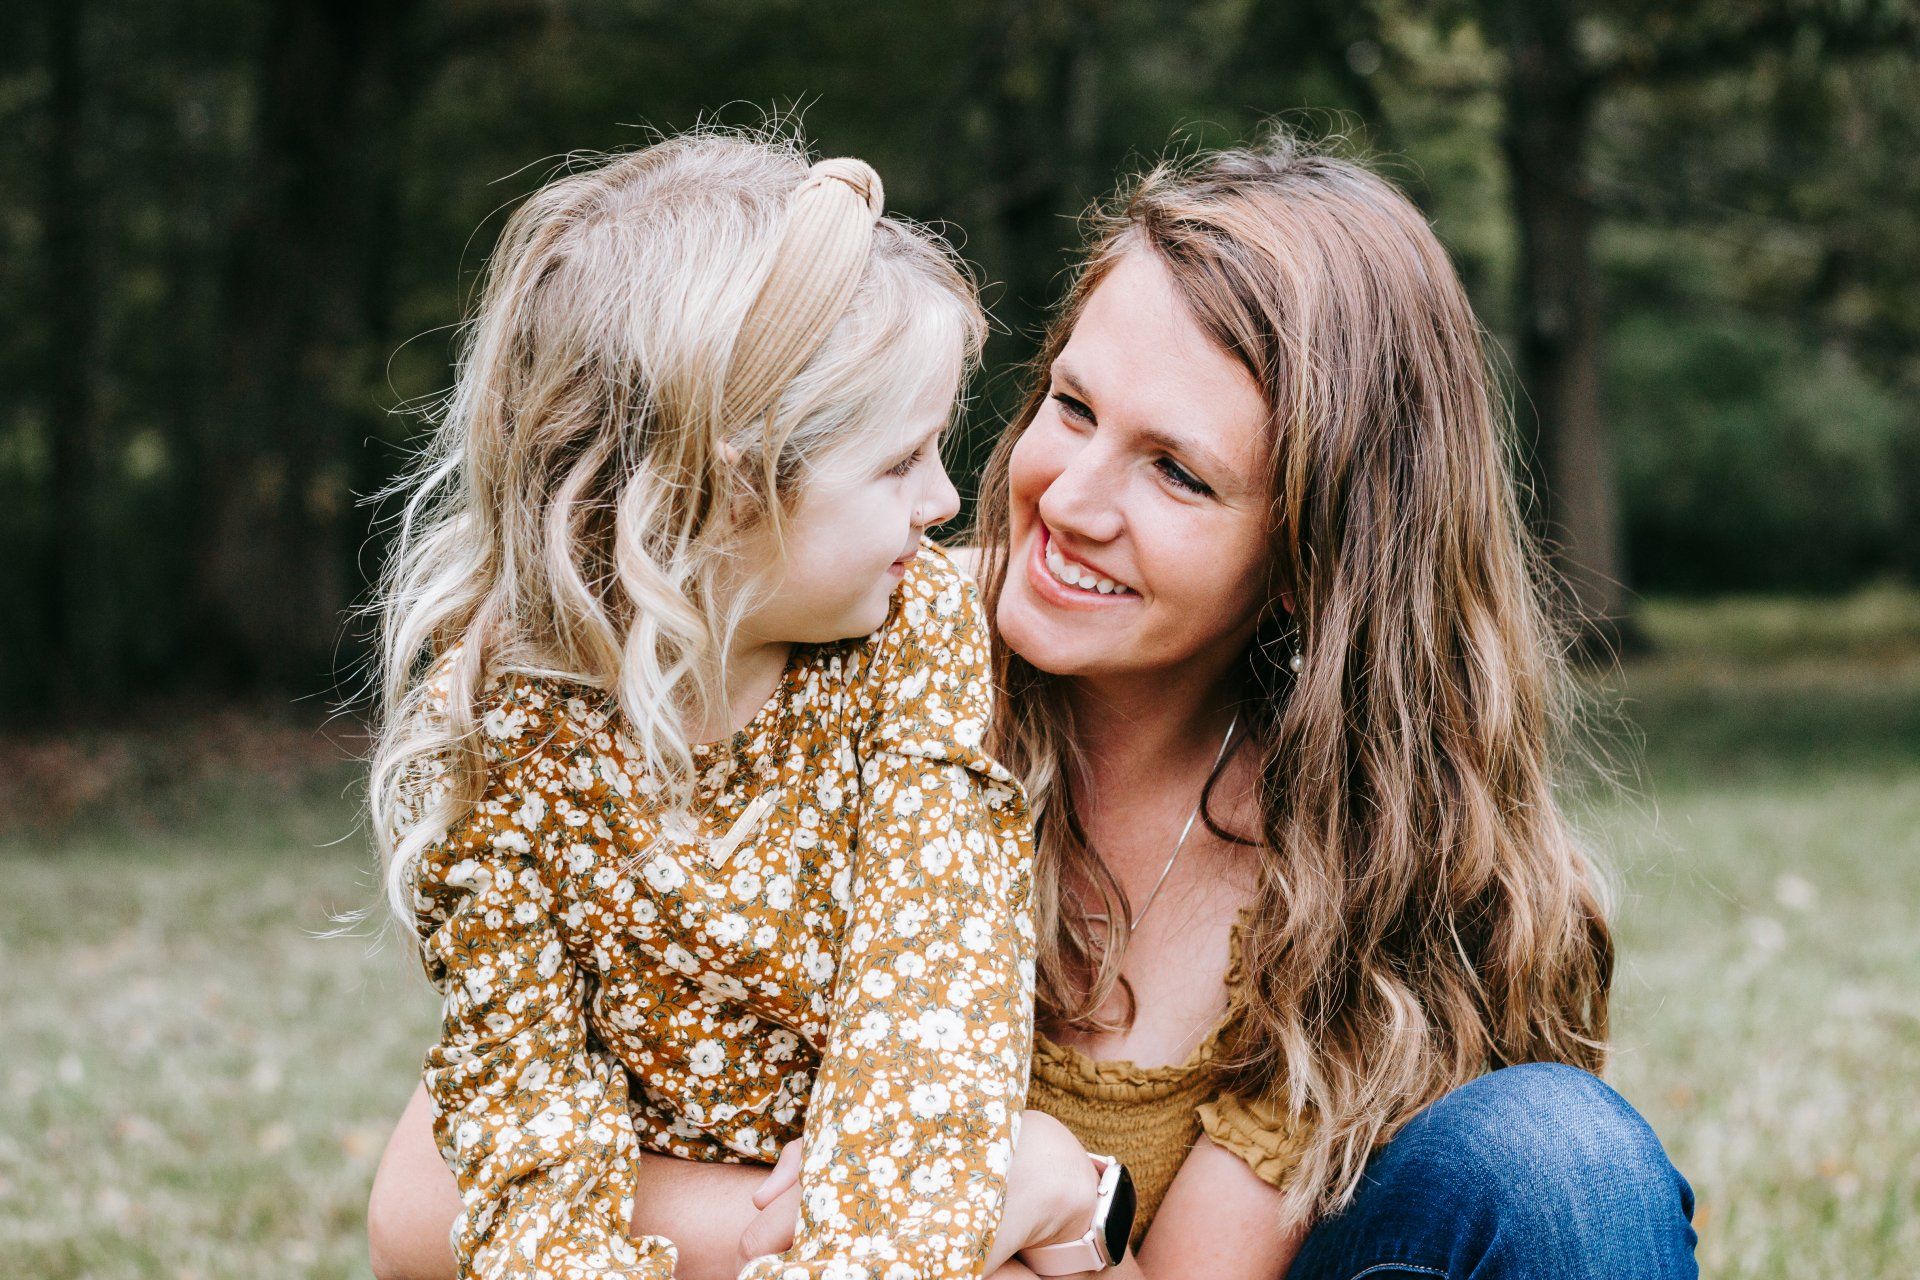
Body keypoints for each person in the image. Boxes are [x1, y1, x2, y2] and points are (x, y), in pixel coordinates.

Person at [370, 133, 1698, 1279]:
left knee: (1556, 1162)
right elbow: (430, 1206)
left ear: (1311, 556)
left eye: (1178, 474)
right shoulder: (817, 647)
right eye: (1072, 405)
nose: (1067, 500)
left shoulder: (1367, 846)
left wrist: (1054, 1195)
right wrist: (913, 1209)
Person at [364, 127, 1105, 1280]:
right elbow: (527, 1117)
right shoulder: (508, 708)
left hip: (892, 1229)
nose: (947, 500)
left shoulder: (918, 645)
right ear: (725, 489)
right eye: (900, 461)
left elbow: (926, 1043)